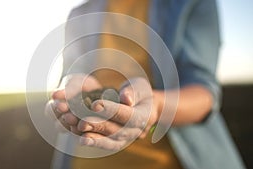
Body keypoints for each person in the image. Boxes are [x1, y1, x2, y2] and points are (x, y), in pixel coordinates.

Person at [48, 0, 246, 168]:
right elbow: (71, 73)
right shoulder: (80, 13)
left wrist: (157, 106)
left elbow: (204, 93)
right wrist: (68, 88)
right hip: (86, 158)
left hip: (170, 161)